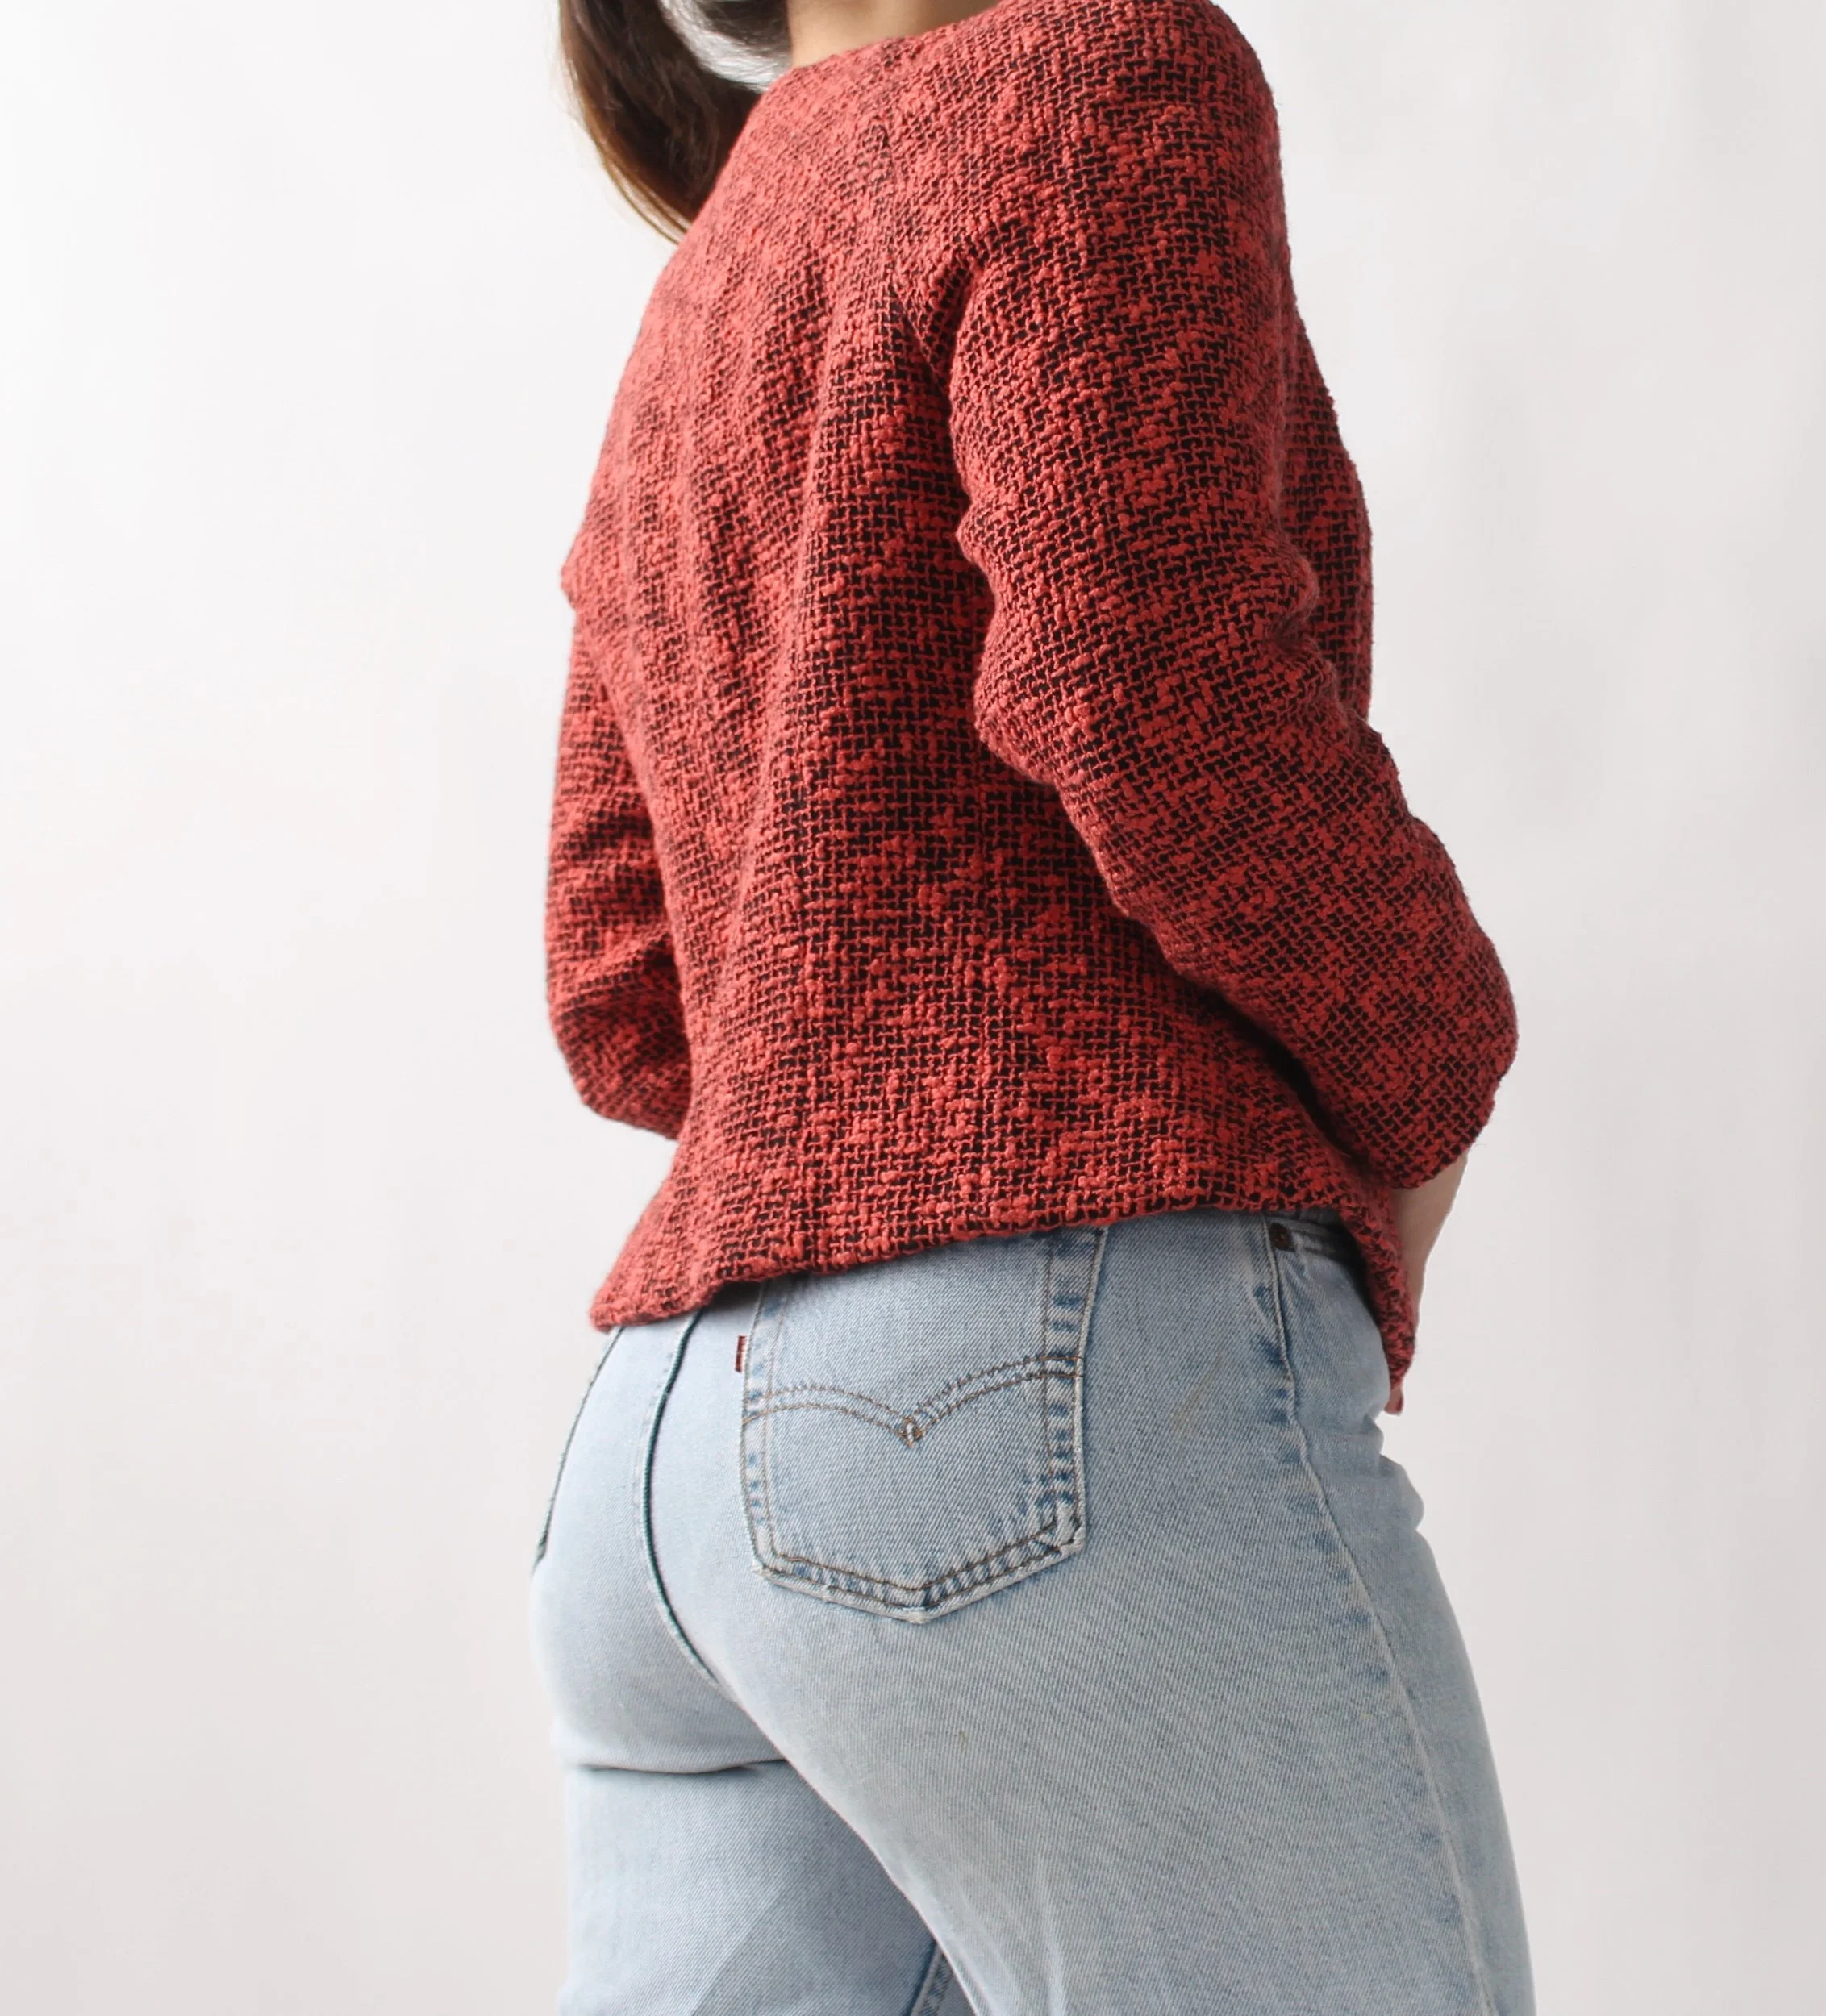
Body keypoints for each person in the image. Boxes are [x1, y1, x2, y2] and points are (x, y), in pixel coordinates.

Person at [529, 0, 1533, 2009]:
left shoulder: (720, 259)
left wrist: (835, 1069)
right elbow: (1138, 672)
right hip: (1019, 1418)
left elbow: (614, 969)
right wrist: (1433, 1063)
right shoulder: (1097, 74)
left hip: (663, 1483)